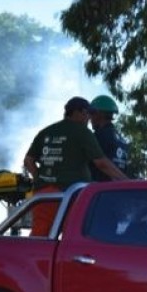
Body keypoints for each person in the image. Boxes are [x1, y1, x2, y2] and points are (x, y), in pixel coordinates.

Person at [23, 96, 127, 236]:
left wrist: (39, 179)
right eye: (87, 113)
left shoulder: (46, 131)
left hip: (43, 195)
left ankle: (33, 258)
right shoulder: (82, 132)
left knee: (40, 237)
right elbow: (101, 163)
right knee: (71, 238)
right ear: (77, 112)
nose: (89, 118)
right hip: (70, 195)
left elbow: (28, 160)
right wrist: (126, 181)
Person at [88, 95, 132, 181]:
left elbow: (101, 163)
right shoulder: (121, 139)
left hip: (100, 190)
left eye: (92, 113)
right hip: (116, 190)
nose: (90, 118)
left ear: (100, 114)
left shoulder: (98, 136)